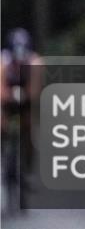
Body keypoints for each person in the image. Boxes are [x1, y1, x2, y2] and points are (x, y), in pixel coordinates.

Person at [1, 28, 42, 201]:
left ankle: (28, 167)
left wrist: (26, 96)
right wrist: (8, 98)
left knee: (29, 128)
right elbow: (1, 90)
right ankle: (4, 159)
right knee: (1, 124)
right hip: (7, 97)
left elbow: (35, 90)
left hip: (25, 98)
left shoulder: (35, 63)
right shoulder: (3, 63)